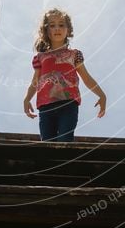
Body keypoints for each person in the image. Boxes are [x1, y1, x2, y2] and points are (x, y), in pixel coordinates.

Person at [23, 8, 106, 142]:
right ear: (46, 30)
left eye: (61, 25)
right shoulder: (40, 57)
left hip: (68, 104)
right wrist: (27, 99)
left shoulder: (74, 54)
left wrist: (102, 95)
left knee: (65, 140)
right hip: (45, 106)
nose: (57, 28)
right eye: (52, 25)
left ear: (68, 30)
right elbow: (35, 81)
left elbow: (86, 77)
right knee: (47, 142)